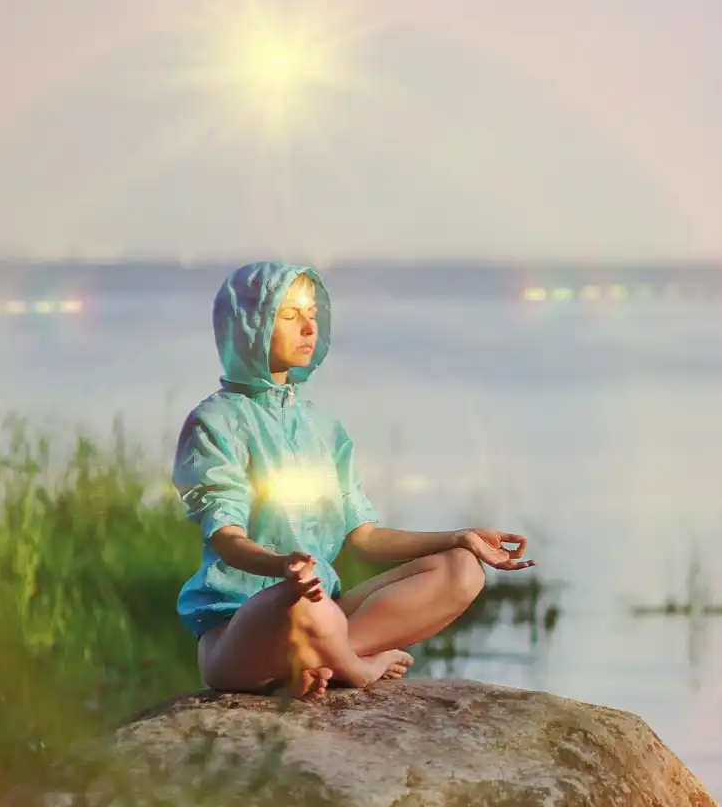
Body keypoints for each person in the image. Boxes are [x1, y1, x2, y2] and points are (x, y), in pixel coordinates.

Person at [173, 261, 534, 700]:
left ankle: (317, 664)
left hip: (324, 613)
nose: (308, 327)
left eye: (312, 314)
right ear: (248, 324)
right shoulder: (214, 422)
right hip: (244, 629)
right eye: (289, 315)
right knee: (303, 601)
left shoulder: (324, 427)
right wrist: (282, 566)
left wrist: (460, 537)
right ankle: (357, 669)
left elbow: (363, 537)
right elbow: (227, 538)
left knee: (461, 570)